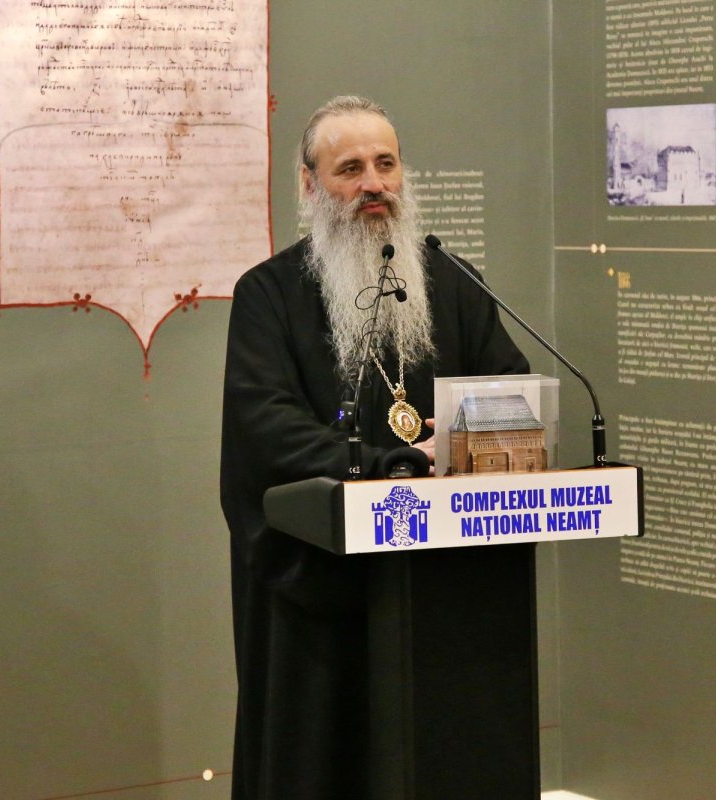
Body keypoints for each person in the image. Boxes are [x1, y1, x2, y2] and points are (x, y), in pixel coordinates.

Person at [219, 95, 528, 800]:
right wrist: (379, 467)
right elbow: (265, 423)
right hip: (321, 585)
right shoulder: (269, 294)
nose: (373, 184)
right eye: (349, 168)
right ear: (309, 185)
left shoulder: (453, 281)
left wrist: (473, 443)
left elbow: (509, 386)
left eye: (385, 164)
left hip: (446, 582)